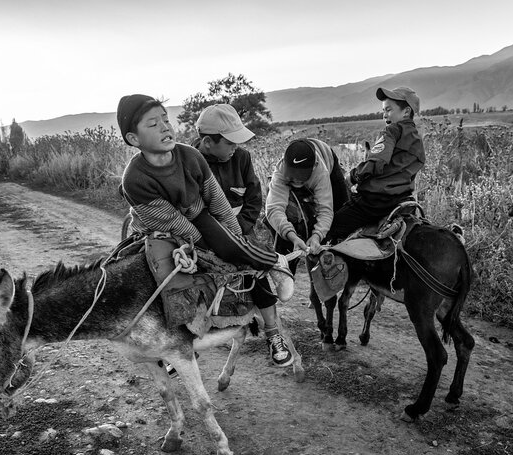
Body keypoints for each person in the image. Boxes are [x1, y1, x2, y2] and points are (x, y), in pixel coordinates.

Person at [116, 94, 296, 367]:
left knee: (235, 253)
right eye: (153, 124)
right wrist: (207, 248)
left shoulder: (192, 157)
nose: (165, 127)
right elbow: (173, 223)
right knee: (158, 277)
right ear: (133, 138)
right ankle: (174, 341)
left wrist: (234, 237)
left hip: (203, 216)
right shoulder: (135, 178)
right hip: (159, 228)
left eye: (166, 119)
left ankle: (273, 269)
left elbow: (219, 202)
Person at [325, 86, 425, 243]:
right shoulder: (417, 141)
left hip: (374, 203)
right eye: (383, 110)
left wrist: (352, 177)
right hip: (401, 200)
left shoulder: (392, 131)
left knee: (331, 228)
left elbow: (376, 162)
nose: (384, 115)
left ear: (406, 112)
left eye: (389, 110)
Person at [265, 138, 350, 272]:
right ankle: (288, 269)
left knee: (340, 215)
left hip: (327, 157)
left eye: (301, 176)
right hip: (303, 162)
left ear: (314, 167)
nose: (297, 179)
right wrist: (292, 236)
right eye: (292, 176)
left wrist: (317, 235)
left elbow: (325, 210)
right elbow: (274, 209)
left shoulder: (321, 172)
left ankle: (328, 265)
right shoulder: (280, 170)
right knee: (288, 219)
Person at [193, 103, 263, 237]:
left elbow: (254, 198)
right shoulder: (190, 164)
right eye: (230, 142)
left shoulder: (242, 157)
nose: (235, 147)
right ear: (207, 142)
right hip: (208, 235)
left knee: (256, 250)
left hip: (242, 229)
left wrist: (239, 227)